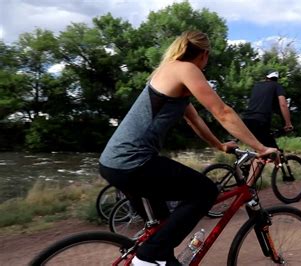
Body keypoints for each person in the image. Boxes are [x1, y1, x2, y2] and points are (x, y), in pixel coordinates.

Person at [99, 31, 278, 266]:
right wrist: (261, 147)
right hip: (134, 162)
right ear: (204, 54)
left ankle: (155, 258)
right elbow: (223, 112)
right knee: (204, 191)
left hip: (113, 163)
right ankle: (146, 259)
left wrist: (220, 145)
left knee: (164, 229)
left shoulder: (169, 72)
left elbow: (194, 120)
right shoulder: (186, 69)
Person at [242, 70, 293, 149]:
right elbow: (283, 105)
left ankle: (254, 160)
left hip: (246, 120)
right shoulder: (277, 86)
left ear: (266, 77)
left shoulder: (256, 86)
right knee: (275, 151)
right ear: (276, 79)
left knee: (259, 151)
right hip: (260, 122)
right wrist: (288, 123)